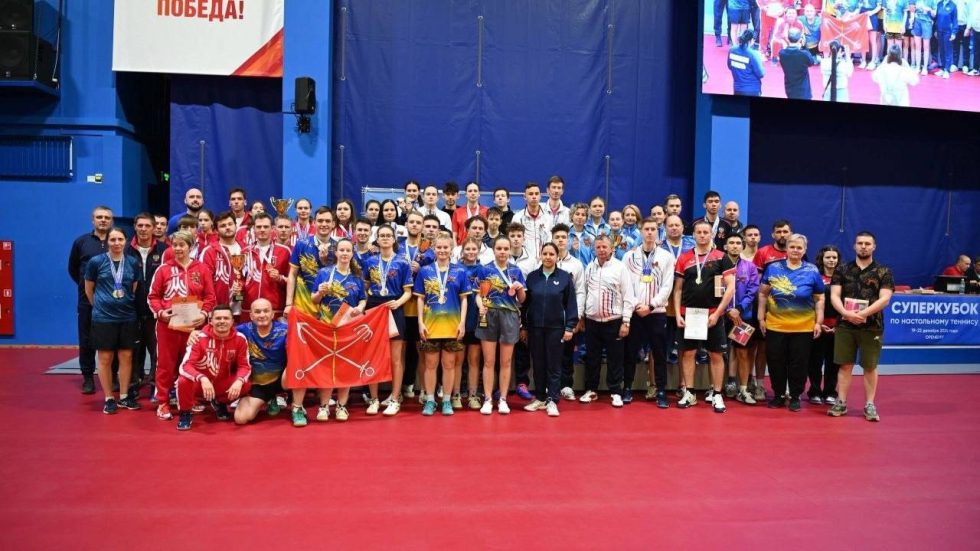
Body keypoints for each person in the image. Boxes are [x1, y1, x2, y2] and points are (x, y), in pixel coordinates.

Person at [147, 230, 216, 420]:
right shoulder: (163, 269)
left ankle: (188, 399)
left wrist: (204, 314)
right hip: (168, 325)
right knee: (166, 364)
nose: (177, 248)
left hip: (194, 325)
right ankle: (163, 402)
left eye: (182, 245)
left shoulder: (202, 269)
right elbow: (153, 296)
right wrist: (161, 312)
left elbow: (210, 297)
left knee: (192, 362)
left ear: (191, 246)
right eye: (175, 245)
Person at [829, 231, 894, 422]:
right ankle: (841, 402)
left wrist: (863, 314)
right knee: (845, 365)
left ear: (874, 247)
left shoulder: (884, 271)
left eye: (867, 243)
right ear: (854, 246)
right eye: (860, 243)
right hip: (845, 325)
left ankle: (870, 404)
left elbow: (885, 299)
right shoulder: (842, 269)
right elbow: (834, 295)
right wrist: (846, 313)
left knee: (870, 366)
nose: (863, 247)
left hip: (872, 326)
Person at [757, 234, 825, 412]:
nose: (795, 250)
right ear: (786, 249)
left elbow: (819, 298)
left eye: (799, 247)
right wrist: (761, 318)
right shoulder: (773, 268)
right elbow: (763, 294)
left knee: (799, 364)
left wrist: (818, 322)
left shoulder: (812, 270)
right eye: (792, 247)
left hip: (803, 327)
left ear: (805, 250)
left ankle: (795, 396)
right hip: (775, 326)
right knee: (776, 362)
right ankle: (779, 395)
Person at [302, 239, 367, 424]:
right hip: (326, 327)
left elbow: (363, 299)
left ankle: (341, 405)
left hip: (348, 328)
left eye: (348, 250)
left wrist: (360, 308)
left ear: (352, 254)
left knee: (345, 367)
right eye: (341, 250)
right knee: (327, 367)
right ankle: (324, 406)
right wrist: (320, 293)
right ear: (336, 253)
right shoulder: (324, 273)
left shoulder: (357, 277)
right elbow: (314, 299)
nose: (345, 253)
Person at [673, 221, 736, 412]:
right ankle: (689, 392)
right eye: (699, 232)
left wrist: (718, 313)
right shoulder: (684, 258)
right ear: (693, 235)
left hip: (712, 315)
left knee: (715, 354)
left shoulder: (722, 257)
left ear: (712, 234)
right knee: (689, 353)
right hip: (689, 314)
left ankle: (717, 394)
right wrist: (677, 313)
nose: (702, 235)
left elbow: (730, 287)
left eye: (705, 232)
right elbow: (678, 289)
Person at [84, 227, 142, 414]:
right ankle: (109, 398)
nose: (117, 243)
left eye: (120, 239)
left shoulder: (132, 262)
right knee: (105, 358)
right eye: (113, 240)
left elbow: (133, 288)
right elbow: (89, 289)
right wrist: (100, 306)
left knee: (126, 357)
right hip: (103, 318)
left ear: (126, 241)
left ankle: (124, 396)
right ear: (107, 242)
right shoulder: (96, 262)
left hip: (127, 316)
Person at [414, 234, 470, 416]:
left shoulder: (460, 271)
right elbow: (420, 299)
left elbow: (464, 299)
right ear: (434, 248)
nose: (442, 250)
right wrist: (420, 322)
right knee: (430, 364)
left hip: (452, 326)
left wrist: (462, 323)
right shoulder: (425, 271)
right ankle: (430, 400)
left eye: (446, 247)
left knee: (449, 364)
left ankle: (446, 400)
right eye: (439, 247)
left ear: (451, 249)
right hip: (430, 326)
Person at [361, 224, 414, 416]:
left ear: (394, 239)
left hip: (394, 306)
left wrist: (398, 303)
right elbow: (365, 287)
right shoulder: (369, 261)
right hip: (374, 307)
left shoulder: (402, 262)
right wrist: (363, 307)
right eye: (381, 235)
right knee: (372, 355)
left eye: (388, 235)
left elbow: (408, 292)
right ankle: (374, 399)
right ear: (376, 239)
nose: (385, 238)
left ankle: (394, 398)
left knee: (396, 357)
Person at [622, 218, 675, 407]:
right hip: (635, 311)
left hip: (656, 312)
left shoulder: (666, 257)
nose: (650, 232)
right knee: (630, 352)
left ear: (658, 231)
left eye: (653, 229)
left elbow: (667, 285)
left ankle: (660, 390)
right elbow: (626, 285)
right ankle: (627, 387)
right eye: (647, 229)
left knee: (659, 353)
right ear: (641, 231)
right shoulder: (629, 256)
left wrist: (651, 306)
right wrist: (637, 305)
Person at [522, 243, 578, 417]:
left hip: (556, 329)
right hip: (535, 328)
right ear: (540, 255)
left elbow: (571, 304)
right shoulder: (532, 277)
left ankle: (552, 400)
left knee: (554, 365)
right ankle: (540, 397)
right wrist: (524, 326)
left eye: (551, 254)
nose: (548, 257)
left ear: (557, 256)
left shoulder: (564, 277)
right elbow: (525, 305)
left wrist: (569, 327)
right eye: (545, 253)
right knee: (538, 364)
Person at [174, 306, 251, 431]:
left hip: (221, 383)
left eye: (226, 318)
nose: (222, 321)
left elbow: (244, 366)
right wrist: (202, 378)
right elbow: (185, 366)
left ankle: (220, 402)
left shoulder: (240, 339)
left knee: (245, 384)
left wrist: (239, 381)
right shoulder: (199, 338)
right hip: (200, 385)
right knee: (183, 381)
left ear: (232, 321)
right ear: (211, 321)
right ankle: (185, 413)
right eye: (218, 318)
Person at [476, 236, 527, 415]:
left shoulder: (516, 271)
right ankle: (488, 399)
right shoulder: (485, 269)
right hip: (489, 315)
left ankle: (503, 399)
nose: (503, 252)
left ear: (510, 250)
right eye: (499, 248)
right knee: (489, 361)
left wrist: (519, 289)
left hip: (509, 316)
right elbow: (479, 295)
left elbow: (522, 300)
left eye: (506, 249)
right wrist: (480, 306)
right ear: (494, 250)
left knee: (506, 361)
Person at [580, 235, 633, 408]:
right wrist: (582, 317)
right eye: (598, 247)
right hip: (592, 321)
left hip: (614, 321)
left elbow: (628, 295)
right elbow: (584, 293)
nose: (601, 250)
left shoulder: (620, 268)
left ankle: (616, 391)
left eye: (605, 247)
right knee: (592, 358)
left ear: (612, 248)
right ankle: (591, 389)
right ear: (594, 249)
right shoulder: (590, 267)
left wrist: (626, 321)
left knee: (615, 358)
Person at [68, 206, 112, 394]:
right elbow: (73, 269)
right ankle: (87, 377)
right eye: (99, 217)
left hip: (112, 301)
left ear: (111, 221)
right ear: (93, 220)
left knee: (112, 339)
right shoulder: (81, 242)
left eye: (107, 217)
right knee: (86, 339)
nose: (103, 220)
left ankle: (113, 377)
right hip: (87, 300)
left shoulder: (117, 241)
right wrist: (86, 287)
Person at [224, 299, 289, 424]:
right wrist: (198, 333)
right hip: (258, 384)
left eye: (266, 311)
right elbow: (219, 330)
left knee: (296, 367)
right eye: (258, 312)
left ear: (272, 314)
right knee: (240, 419)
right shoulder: (243, 329)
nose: (262, 315)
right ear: (251, 315)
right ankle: (270, 398)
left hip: (282, 379)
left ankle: (296, 407)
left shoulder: (285, 330)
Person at [126, 213, 168, 398]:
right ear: (135, 226)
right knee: (134, 351)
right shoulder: (125, 249)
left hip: (156, 311)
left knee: (157, 351)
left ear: (154, 228)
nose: (143, 229)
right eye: (140, 225)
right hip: (131, 309)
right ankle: (134, 385)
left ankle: (154, 385)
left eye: (147, 226)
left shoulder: (165, 250)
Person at [722, 233, 761, 405]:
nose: (735, 246)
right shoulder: (717, 265)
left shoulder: (750, 267)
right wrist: (727, 310)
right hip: (721, 316)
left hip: (742, 317)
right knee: (716, 352)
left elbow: (752, 291)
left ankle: (743, 389)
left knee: (743, 353)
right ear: (725, 246)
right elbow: (716, 290)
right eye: (731, 243)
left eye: (738, 243)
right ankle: (715, 388)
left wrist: (738, 309)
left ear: (742, 246)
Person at [551, 224, 586, 401]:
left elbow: (581, 292)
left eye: (563, 237)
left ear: (569, 240)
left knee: (567, 352)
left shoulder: (576, 265)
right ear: (552, 239)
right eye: (557, 237)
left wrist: (577, 317)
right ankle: (549, 385)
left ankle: (566, 385)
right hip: (549, 317)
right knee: (549, 352)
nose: (560, 240)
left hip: (568, 316)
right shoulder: (545, 260)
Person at [285, 207, 336, 317]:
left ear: (333, 224)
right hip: (304, 304)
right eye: (320, 221)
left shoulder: (339, 248)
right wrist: (288, 304)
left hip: (330, 306)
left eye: (327, 221)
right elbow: (292, 274)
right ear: (314, 223)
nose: (324, 224)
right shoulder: (301, 244)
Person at [808, 245, 842, 405]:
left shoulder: (843, 278)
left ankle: (830, 392)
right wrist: (817, 323)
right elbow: (810, 302)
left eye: (834, 257)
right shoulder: (815, 277)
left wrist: (839, 324)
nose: (831, 260)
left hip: (838, 327)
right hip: (818, 326)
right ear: (822, 259)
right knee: (815, 361)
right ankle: (814, 391)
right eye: (828, 257)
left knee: (833, 362)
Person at [243, 213, 290, 319]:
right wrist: (238, 291)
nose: (262, 230)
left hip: (275, 309)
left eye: (266, 226)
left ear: (272, 229)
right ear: (254, 229)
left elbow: (292, 281)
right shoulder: (245, 252)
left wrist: (279, 278)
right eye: (259, 227)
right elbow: (241, 279)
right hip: (249, 309)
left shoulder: (284, 251)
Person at [459, 238, 488, 409]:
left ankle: (473, 395)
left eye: (474, 249)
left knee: (474, 360)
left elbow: (485, 295)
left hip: (477, 319)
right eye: (467, 249)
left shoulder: (483, 270)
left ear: (478, 251)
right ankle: (455, 394)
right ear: (462, 251)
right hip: (458, 320)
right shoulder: (455, 268)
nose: (470, 252)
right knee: (457, 361)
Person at [200, 211, 243, 317]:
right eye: (223, 226)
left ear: (236, 225)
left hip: (243, 309)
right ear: (216, 230)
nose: (227, 227)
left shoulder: (246, 249)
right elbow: (204, 283)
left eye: (230, 224)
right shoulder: (209, 251)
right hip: (218, 311)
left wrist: (242, 285)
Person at [512, 181, 550, 261]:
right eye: (531, 194)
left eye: (536, 194)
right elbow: (514, 241)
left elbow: (550, 240)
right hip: (524, 261)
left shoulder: (548, 217)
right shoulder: (517, 217)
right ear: (525, 196)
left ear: (540, 196)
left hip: (545, 260)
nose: (534, 196)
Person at [779, 27, 818, 99]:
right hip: (803, 91)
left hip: (789, 89)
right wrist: (805, 46)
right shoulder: (803, 54)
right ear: (800, 39)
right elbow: (811, 62)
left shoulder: (782, 53)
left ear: (788, 39)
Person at [729, 29, 767, 96]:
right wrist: (761, 61)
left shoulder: (732, 50)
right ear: (751, 40)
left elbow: (730, 66)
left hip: (737, 89)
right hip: (752, 90)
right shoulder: (753, 54)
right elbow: (761, 74)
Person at [911, 0, 937, 74]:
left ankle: (925, 67)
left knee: (926, 46)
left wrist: (929, 10)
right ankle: (917, 67)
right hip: (917, 21)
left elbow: (934, 14)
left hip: (927, 22)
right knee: (917, 46)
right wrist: (914, 8)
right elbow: (912, 9)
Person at [936, 0, 959, 78]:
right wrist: (936, 30)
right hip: (939, 31)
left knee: (948, 50)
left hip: (948, 32)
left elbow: (955, 20)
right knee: (941, 50)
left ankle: (947, 70)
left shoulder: (953, 5)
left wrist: (954, 32)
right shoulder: (939, 4)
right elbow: (937, 18)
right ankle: (942, 68)